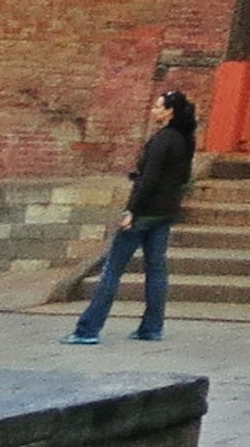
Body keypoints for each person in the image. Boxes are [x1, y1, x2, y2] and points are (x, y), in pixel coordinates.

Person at [63, 89, 192, 345]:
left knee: (112, 270)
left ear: (169, 112)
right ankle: (152, 327)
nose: (153, 110)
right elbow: (182, 178)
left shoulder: (162, 140)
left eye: (158, 106)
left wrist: (131, 210)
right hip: (165, 211)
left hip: (144, 213)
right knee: (156, 269)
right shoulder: (184, 140)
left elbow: (149, 178)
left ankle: (88, 329)